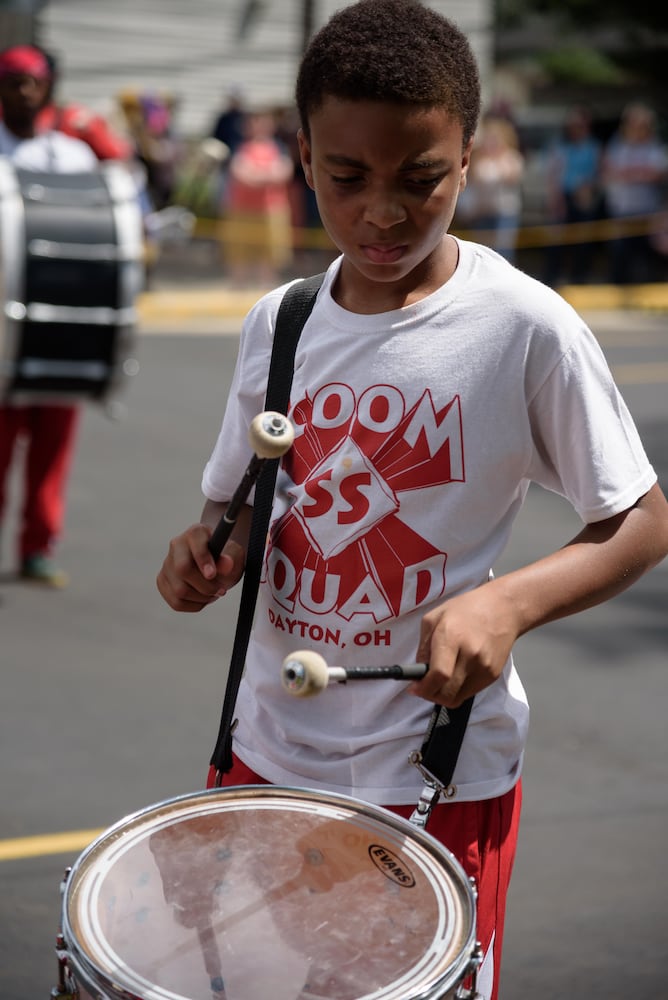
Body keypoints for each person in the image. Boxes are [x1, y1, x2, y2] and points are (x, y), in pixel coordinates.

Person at [156, 3, 668, 998]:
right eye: (347, 179)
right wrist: (204, 556)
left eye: (420, 179)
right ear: (303, 159)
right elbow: (249, 506)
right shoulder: (283, 321)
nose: (383, 212)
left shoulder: (519, 326)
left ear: (468, 160)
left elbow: (640, 518)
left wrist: (505, 604)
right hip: (263, 750)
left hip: (431, 773)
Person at [0, 44, 98, 587]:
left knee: (52, 443)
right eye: (13, 80)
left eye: (32, 81)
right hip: (0, 324)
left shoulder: (73, 156)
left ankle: (38, 546)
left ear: (49, 87)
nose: (23, 91)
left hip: (60, 323)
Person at [218, 109, 294, 286]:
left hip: (271, 210)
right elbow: (241, 175)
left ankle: (266, 290)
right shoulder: (239, 146)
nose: (258, 126)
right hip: (241, 209)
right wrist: (267, 175)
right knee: (238, 254)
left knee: (270, 256)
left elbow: (283, 173)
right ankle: (238, 290)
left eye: (262, 121)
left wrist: (256, 174)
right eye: (254, 121)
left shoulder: (279, 147)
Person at [601, 102, 668, 284]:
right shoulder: (617, 146)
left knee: (647, 258)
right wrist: (638, 173)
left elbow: (656, 174)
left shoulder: (655, 147)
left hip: (647, 211)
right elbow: (610, 171)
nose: (637, 128)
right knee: (620, 255)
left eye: (642, 125)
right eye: (634, 124)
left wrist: (629, 174)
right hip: (621, 210)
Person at [543, 106, 603, 286]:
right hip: (563, 198)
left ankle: (579, 277)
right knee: (557, 241)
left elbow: (600, 173)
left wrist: (590, 189)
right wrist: (555, 199)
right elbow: (553, 174)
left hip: (584, 199)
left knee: (582, 242)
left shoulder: (594, 147)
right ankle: (552, 278)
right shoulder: (560, 147)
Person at [455, 112, 524, 262]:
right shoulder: (478, 160)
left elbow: (511, 177)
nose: (491, 143)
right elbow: (474, 181)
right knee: (482, 252)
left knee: (503, 251)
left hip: (504, 213)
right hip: (482, 212)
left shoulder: (511, 158)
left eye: (495, 139)